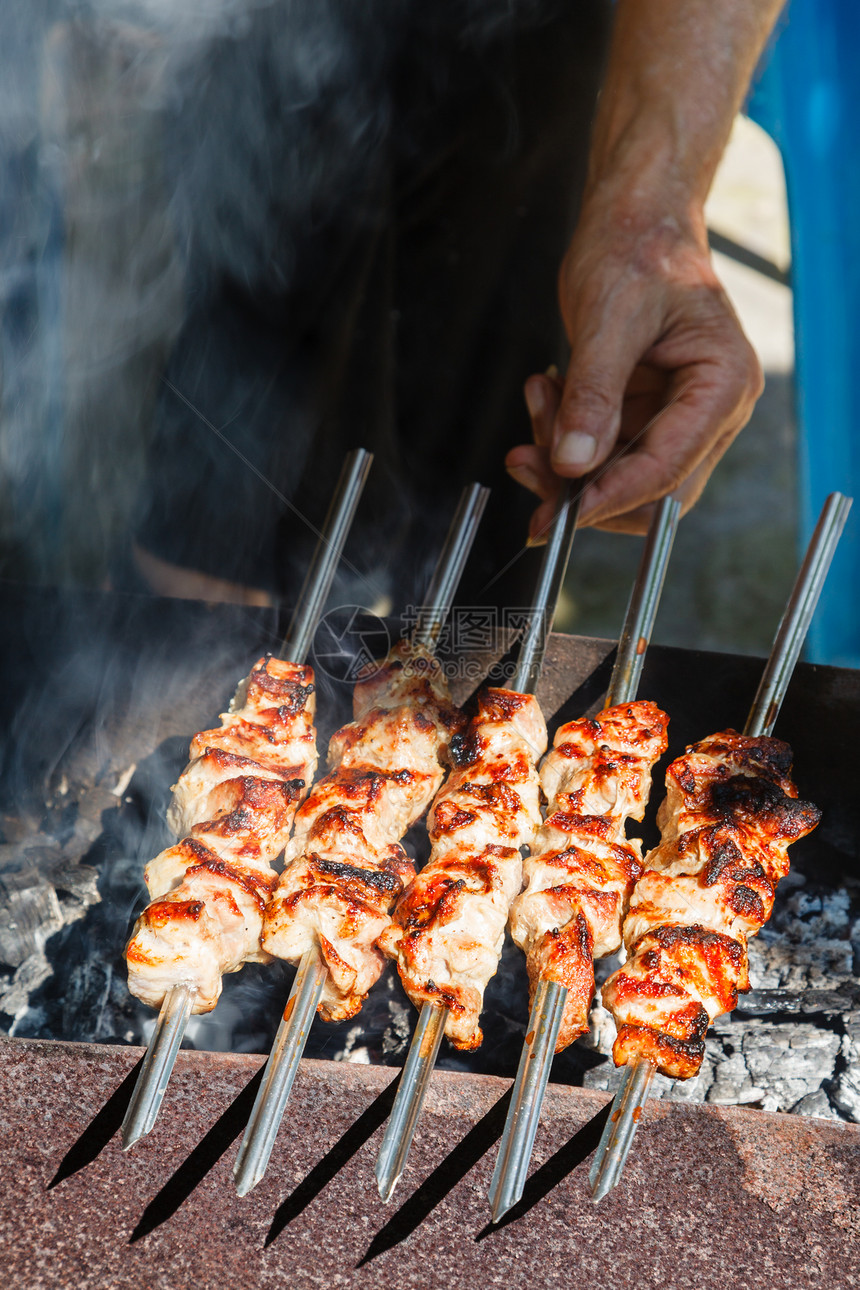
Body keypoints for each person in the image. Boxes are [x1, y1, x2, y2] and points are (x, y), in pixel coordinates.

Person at [124, 0, 786, 609]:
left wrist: (653, 215)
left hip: (537, 46)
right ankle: (198, 688)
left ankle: (458, 697)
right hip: (276, 33)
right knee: (247, 441)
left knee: (499, 456)